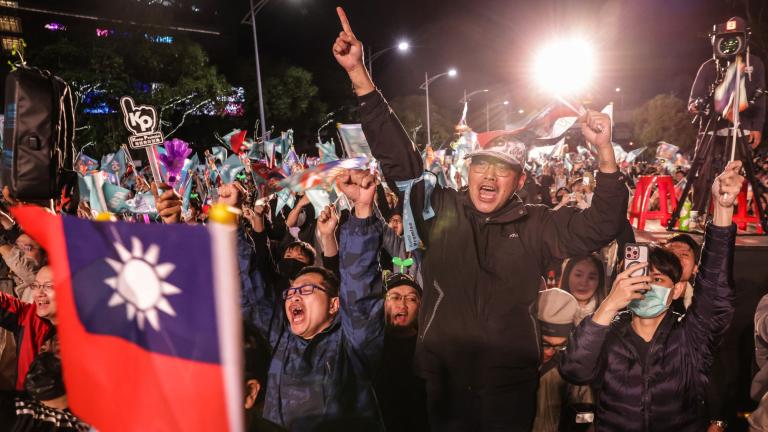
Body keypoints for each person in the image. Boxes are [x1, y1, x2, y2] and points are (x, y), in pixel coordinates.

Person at [333, 7, 629, 429]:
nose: (488, 176)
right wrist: (359, 74)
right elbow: (400, 161)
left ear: (519, 180)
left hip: (507, 390)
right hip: (440, 383)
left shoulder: (538, 224)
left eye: (502, 170)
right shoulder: (440, 206)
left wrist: (604, 152)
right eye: (480, 166)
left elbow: (601, 224)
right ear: (468, 171)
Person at [559, 161, 742, 431]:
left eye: (657, 279)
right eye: (641, 277)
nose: (647, 286)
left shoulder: (690, 337)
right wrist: (609, 306)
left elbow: (715, 292)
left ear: (677, 289)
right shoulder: (608, 335)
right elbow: (574, 370)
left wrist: (723, 211)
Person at [239, 169, 386, 430]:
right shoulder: (277, 340)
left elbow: (359, 286)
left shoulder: (352, 346)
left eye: (306, 290)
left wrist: (362, 211)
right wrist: (229, 226)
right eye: (291, 292)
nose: (294, 295)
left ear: (333, 305)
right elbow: (250, 290)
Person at [375, 272, 428, 432]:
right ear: (383, 303)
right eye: (395, 297)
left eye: (412, 299)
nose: (403, 305)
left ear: (420, 307)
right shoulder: (370, 345)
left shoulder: (430, 345)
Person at [532, 288, 583, 432]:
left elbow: (584, 419)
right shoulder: (506, 362)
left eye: (560, 346)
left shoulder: (571, 371)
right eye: (545, 343)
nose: (550, 352)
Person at [0, 266, 56, 391]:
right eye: (36, 286)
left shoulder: (92, 335)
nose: (39, 293)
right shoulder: (29, 316)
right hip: (24, 408)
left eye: (49, 286)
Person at [560, 255, 607, 325]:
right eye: (578, 275)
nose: (584, 283)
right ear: (567, 276)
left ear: (599, 281)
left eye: (591, 278)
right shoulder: (550, 311)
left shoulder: (609, 316)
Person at [666, 234, 700, 313]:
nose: (676, 258)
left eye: (684, 254)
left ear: (695, 268)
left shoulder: (700, 305)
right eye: (670, 252)